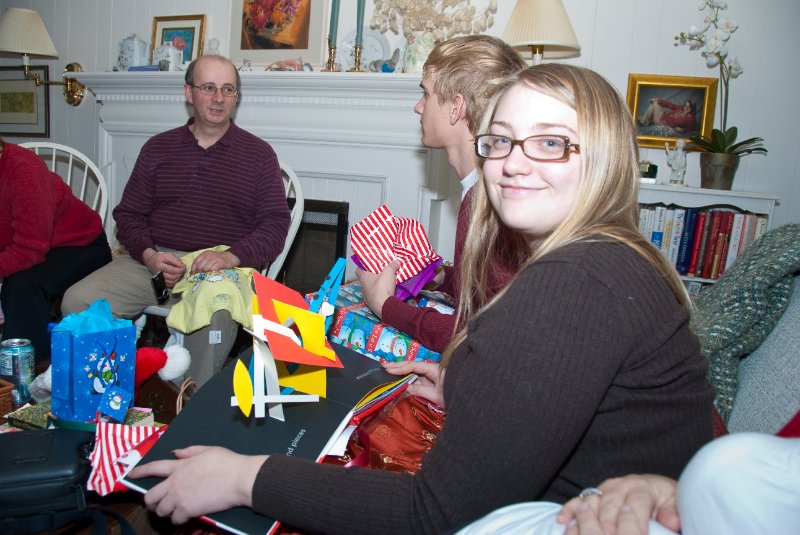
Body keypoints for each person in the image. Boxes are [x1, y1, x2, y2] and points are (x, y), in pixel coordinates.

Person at [129, 64, 714, 534]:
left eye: (551, 143)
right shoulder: (612, 254)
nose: (512, 163)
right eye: (502, 141)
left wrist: (243, 479)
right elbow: (561, 397)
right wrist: (465, 385)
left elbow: (433, 514)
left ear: (604, 156)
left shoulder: (571, 282)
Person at [62, 55, 290, 385]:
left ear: (237, 97)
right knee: (77, 300)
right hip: (153, 261)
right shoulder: (158, 148)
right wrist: (150, 254)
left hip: (221, 267)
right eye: (208, 87)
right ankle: (107, 390)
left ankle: (186, 409)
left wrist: (229, 256)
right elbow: (127, 215)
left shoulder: (259, 155)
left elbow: (274, 225)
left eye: (228, 89)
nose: (218, 98)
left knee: (216, 313)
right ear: (189, 92)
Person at [356, 35, 527, 353]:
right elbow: (491, 297)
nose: (418, 107)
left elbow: (472, 335)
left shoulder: (484, 201)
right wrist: (439, 276)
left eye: (426, 93)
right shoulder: (489, 187)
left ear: (457, 107)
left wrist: (384, 304)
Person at [0, 138, 111, 364]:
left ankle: (25, 377)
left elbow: (29, 249)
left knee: (22, 285)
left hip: (79, 245)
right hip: (28, 247)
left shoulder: (23, 169)